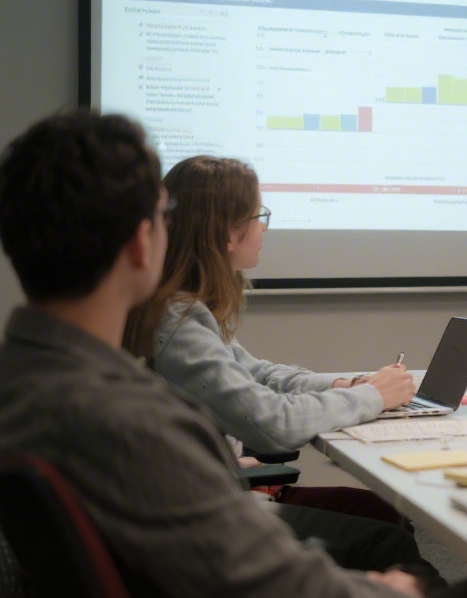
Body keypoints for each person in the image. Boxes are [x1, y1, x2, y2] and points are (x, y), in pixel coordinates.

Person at [0, 109, 430, 596]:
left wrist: (347, 387)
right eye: (163, 217)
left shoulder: (27, 379)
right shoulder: (132, 420)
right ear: (143, 243)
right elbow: (261, 575)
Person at [123, 156, 428, 525]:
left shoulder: (187, 308)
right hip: (205, 517)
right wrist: (373, 396)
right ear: (228, 233)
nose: (264, 229)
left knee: (385, 515)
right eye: (258, 217)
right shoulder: (178, 322)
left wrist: (348, 384)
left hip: (214, 491)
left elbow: (259, 375)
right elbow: (273, 425)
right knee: (385, 532)